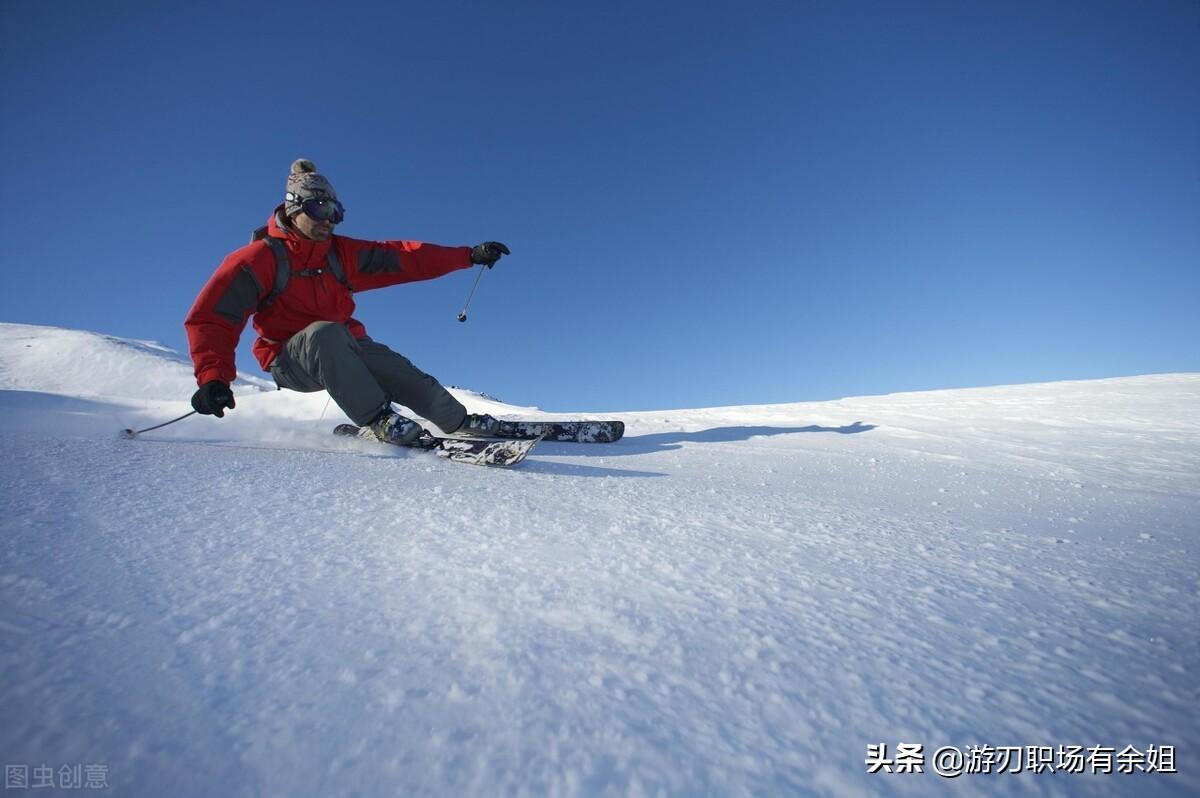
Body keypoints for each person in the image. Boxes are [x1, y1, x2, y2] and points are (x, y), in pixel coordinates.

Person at [184, 158, 509, 445]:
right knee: (327, 333)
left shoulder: (341, 255)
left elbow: (404, 258)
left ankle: (457, 421)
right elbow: (214, 318)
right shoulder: (259, 259)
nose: (329, 220)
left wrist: (467, 256)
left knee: (392, 366)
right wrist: (213, 378)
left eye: (336, 212)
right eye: (319, 210)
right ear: (295, 208)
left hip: (344, 346)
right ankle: (379, 421)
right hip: (290, 360)